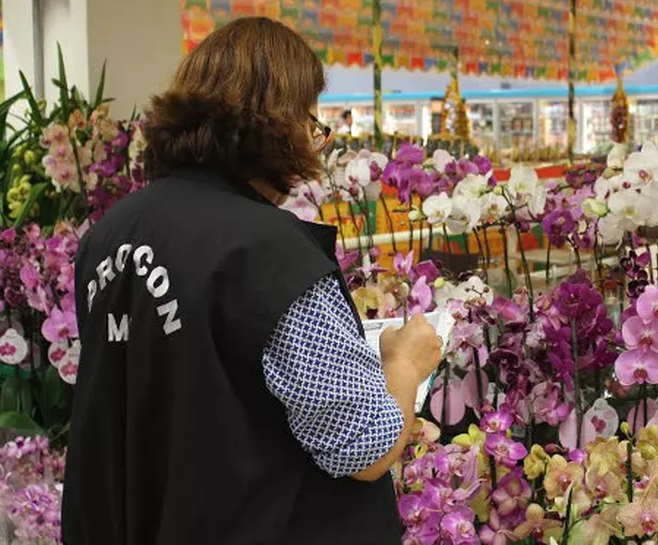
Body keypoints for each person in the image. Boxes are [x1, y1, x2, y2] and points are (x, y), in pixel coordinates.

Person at [61, 17, 441, 545]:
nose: (314, 144)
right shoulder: (267, 253)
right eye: (311, 124)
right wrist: (405, 363)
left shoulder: (109, 234)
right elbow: (363, 447)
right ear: (281, 125)